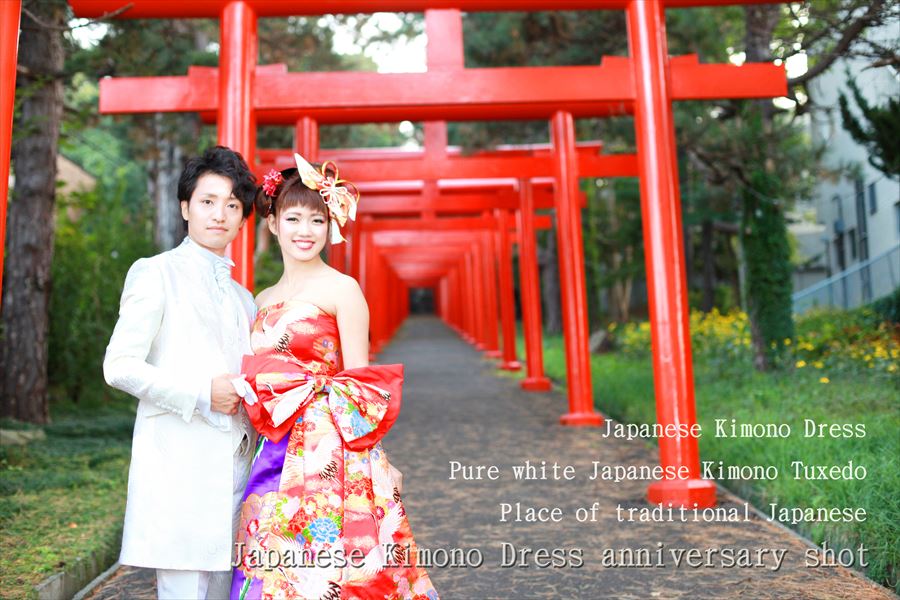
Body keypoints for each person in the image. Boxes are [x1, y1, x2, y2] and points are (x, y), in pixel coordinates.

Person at [230, 154, 438, 599]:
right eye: (293, 218)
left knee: (336, 565)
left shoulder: (343, 288)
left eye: (317, 220)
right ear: (272, 223)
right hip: (274, 444)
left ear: (330, 226)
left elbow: (360, 387)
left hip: (331, 447)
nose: (305, 231)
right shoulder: (261, 298)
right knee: (272, 556)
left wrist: (380, 459)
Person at [103, 146, 259, 600]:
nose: (221, 214)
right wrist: (201, 392)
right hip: (181, 469)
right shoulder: (155, 273)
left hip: (238, 471)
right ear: (185, 207)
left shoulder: (243, 298)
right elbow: (119, 365)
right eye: (209, 201)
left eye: (233, 205)